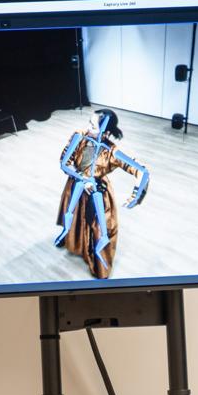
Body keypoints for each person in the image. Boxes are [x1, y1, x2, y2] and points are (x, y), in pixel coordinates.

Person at [53, 109, 150, 279]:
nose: (88, 128)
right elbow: (64, 161)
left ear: (105, 132)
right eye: (89, 123)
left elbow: (142, 171)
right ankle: (67, 235)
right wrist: (81, 178)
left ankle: (100, 265)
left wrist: (135, 195)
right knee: (71, 216)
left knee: (100, 227)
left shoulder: (111, 151)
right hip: (76, 184)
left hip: (97, 190)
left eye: (93, 126)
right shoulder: (79, 136)